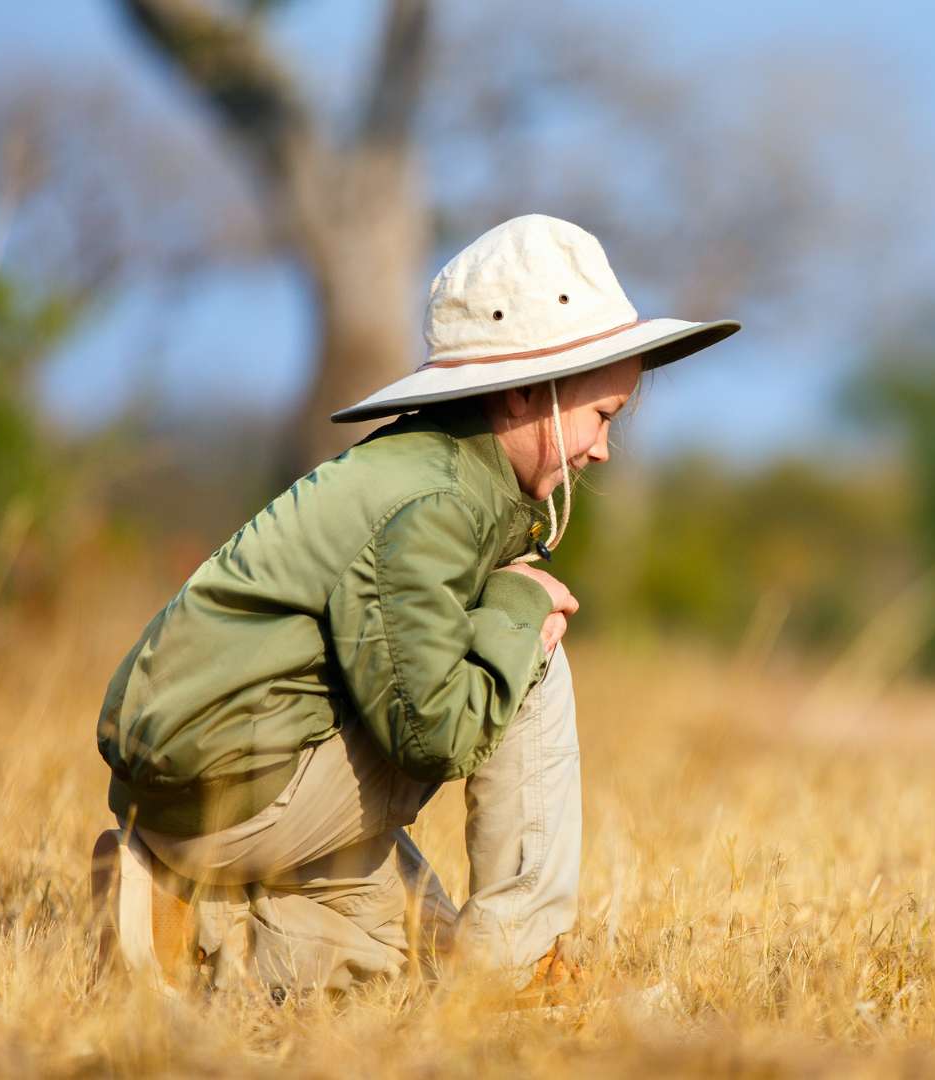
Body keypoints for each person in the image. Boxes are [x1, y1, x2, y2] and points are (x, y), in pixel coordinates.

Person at [90, 214, 739, 998]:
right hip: (240, 787)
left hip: (203, 791)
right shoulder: (432, 505)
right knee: (534, 657)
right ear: (531, 391)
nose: (602, 449)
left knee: (408, 965)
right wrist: (517, 610)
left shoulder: (428, 470)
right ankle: (520, 964)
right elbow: (429, 732)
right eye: (602, 417)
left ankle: (177, 910)